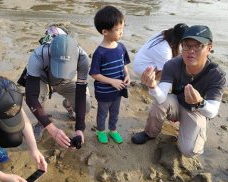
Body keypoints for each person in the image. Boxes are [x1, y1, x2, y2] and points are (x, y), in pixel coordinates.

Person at [131, 25, 226, 157]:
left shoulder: (216, 75)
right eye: (187, 45)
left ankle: (187, 131)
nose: (190, 51)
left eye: (198, 46)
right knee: (161, 102)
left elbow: (212, 112)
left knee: (189, 151)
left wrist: (199, 102)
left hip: (197, 110)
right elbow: (161, 98)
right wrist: (153, 86)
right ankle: (149, 132)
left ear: (209, 48)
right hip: (175, 103)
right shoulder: (172, 64)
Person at [25, 25, 91, 147]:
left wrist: (80, 128)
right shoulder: (38, 55)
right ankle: (40, 123)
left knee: (85, 106)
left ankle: (68, 104)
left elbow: (81, 93)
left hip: (68, 81)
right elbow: (30, 97)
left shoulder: (82, 58)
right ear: (50, 53)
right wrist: (51, 128)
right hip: (43, 79)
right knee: (38, 98)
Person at [89, 5, 131, 144]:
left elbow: (123, 63)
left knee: (115, 112)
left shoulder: (121, 47)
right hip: (104, 91)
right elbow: (94, 73)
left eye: (122, 28)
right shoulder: (100, 52)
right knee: (102, 113)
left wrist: (127, 75)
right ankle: (101, 130)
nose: (121, 33)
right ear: (105, 31)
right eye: (118, 30)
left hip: (118, 90)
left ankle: (113, 130)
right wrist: (111, 81)